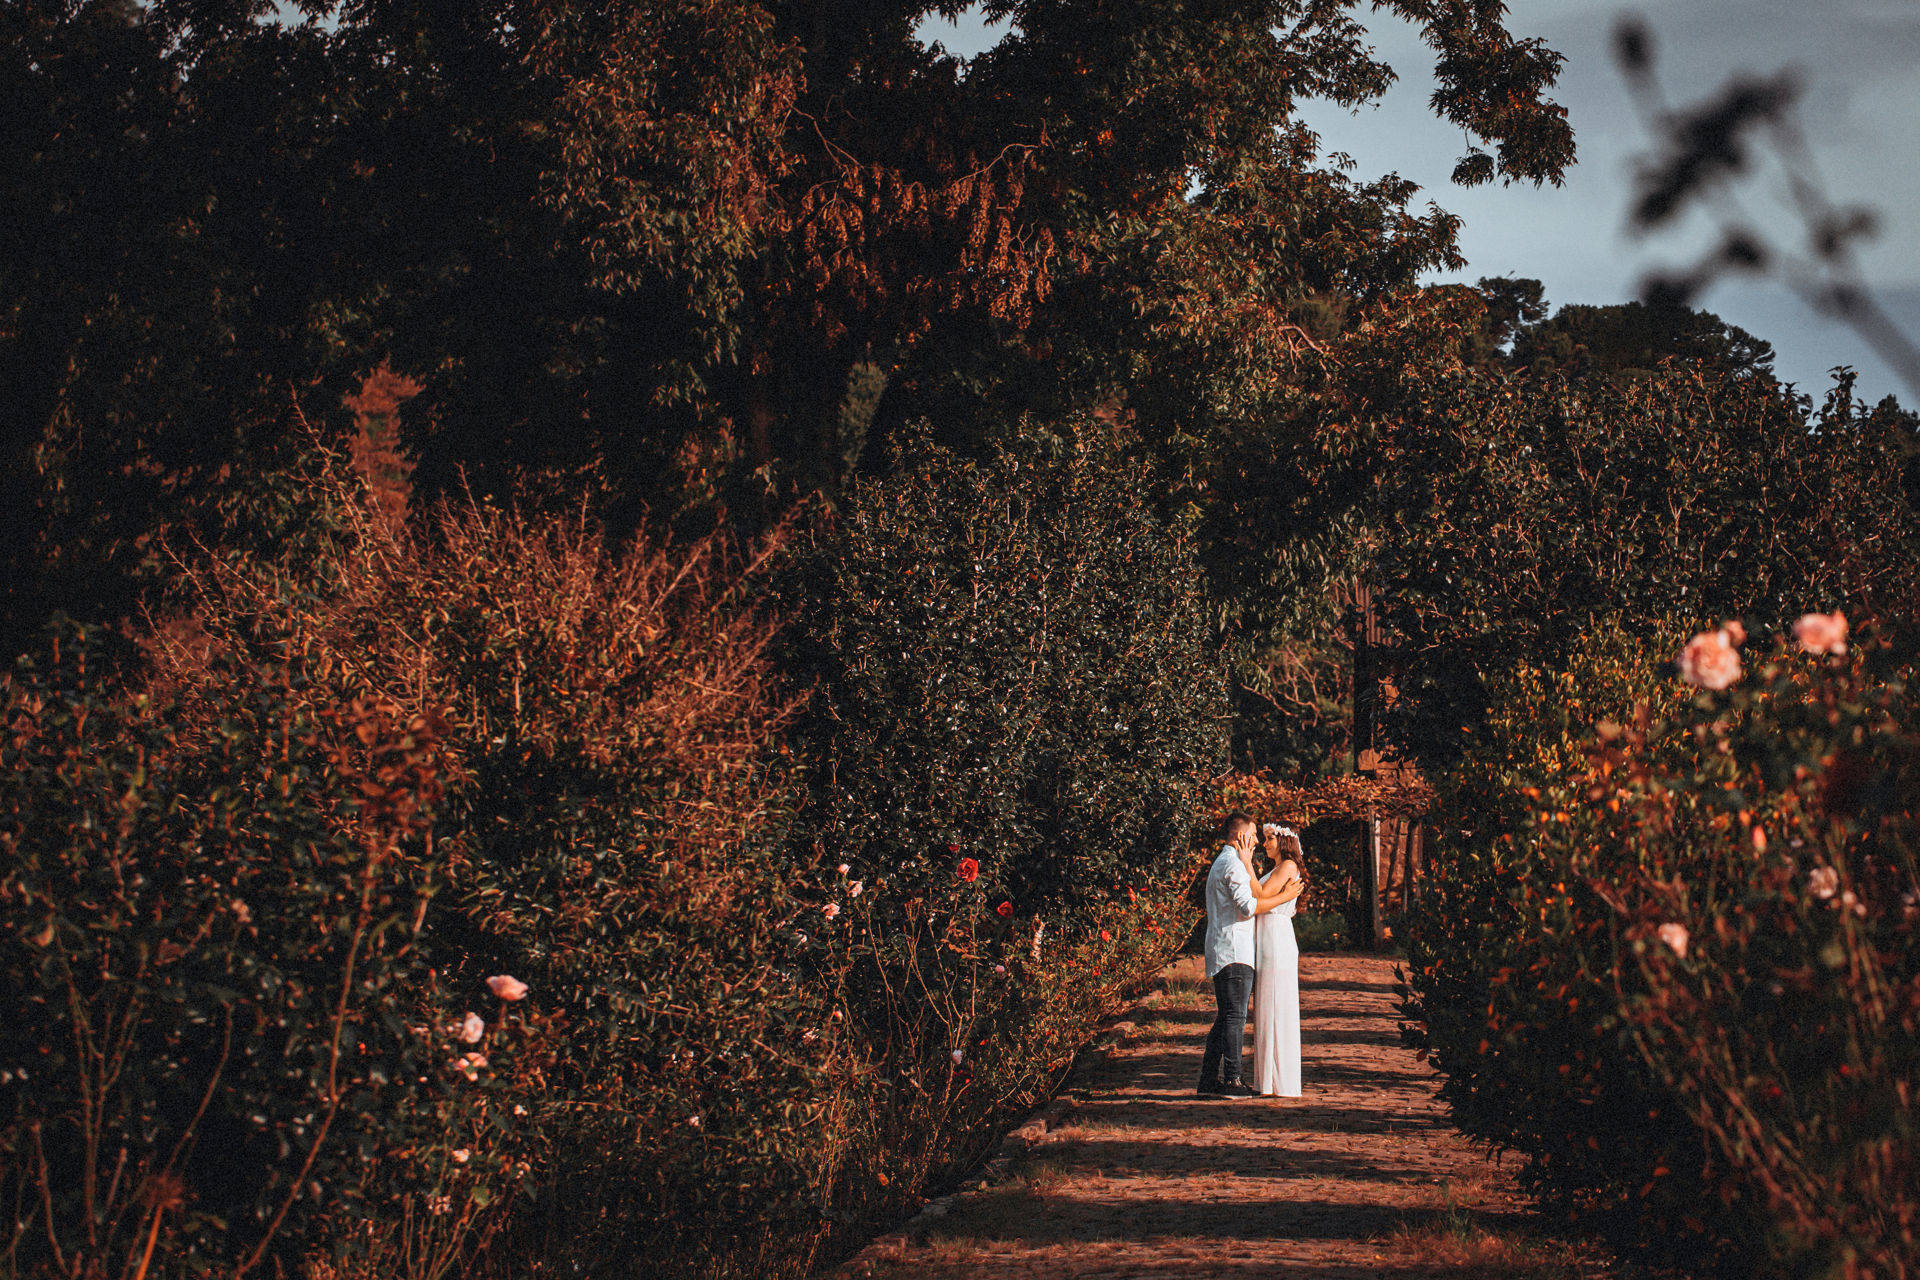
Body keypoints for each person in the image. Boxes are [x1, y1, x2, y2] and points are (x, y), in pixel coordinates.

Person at [1197, 812, 1302, 1097]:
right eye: (1254, 834)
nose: (1256, 840)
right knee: (1234, 1017)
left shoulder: (1227, 862)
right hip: (1234, 950)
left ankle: (1208, 1081)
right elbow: (1247, 906)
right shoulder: (1233, 864)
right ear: (1241, 836)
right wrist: (1284, 896)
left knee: (1227, 1017)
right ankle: (1232, 1080)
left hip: (1234, 948)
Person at [1248, 823, 1305, 1097]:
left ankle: (1278, 1080)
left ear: (1284, 841)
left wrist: (1246, 863)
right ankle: (1268, 1079)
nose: (1265, 843)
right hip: (1268, 934)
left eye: (1270, 838)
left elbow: (1261, 896)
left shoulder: (1288, 867)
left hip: (1276, 937)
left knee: (1275, 1003)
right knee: (1267, 1004)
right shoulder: (1276, 869)